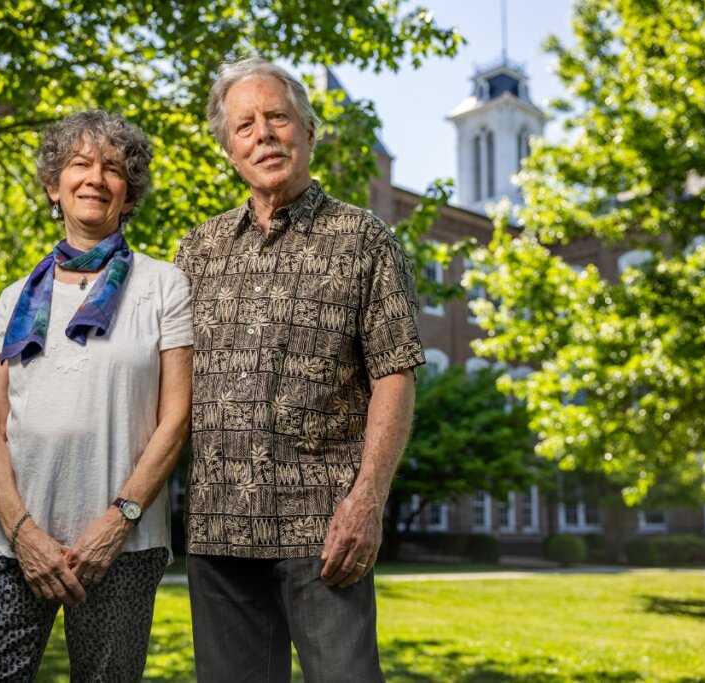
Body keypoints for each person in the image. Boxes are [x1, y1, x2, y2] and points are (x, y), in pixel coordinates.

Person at [174, 55, 425, 683]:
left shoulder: (365, 238)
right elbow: (167, 384)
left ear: (308, 131)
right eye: (244, 126)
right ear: (229, 149)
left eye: (277, 118)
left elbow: (395, 373)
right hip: (218, 531)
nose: (262, 135)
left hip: (325, 530)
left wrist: (368, 500)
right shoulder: (196, 250)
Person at [0, 109, 193, 681]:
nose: (96, 178)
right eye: (80, 164)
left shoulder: (164, 285)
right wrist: (21, 533)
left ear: (129, 194)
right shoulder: (14, 298)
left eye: (113, 169)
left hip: (122, 545)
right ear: (52, 185)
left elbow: (176, 418)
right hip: (12, 542)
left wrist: (117, 521)